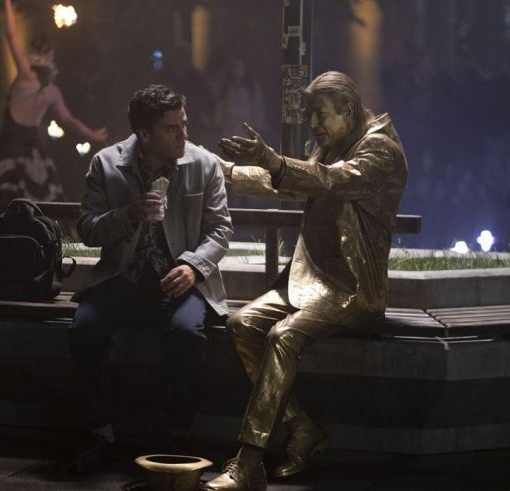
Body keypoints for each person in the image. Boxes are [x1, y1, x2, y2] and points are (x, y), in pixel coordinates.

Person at [204, 71, 408, 490]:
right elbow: (291, 182)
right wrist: (225, 172)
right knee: (241, 324)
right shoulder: (333, 144)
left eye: (319, 115)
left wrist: (274, 161)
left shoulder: (379, 150)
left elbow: (331, 181)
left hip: (353, 289)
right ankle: (301, 427)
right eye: (308, 115)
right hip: (313, 281)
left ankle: (248, 462)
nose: (312, 125)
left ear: (347, 111)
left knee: (283, 336)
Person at [67, 84, 232, 473]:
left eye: (185, 124)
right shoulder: (106, 164)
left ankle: (179, 435)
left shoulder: (203, 164)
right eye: (172, 128)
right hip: (124, 277)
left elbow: (221, 230)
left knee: (186, 334)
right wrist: (129, 214)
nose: (183, 135)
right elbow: (88, 230)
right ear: (143, 134)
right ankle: (102, 433)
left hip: (181, 281)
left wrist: (192, 266)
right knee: (83, 329)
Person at [0, 0, 108, 223]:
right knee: (32, 190)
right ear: (50, 59)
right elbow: (69, 120)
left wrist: (8, 3)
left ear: (32, 54)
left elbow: (11, 35)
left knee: (12, 193)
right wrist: (92, 134)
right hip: (32, 144)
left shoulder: (27, 75)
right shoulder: (52, 91)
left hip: (13, 142)